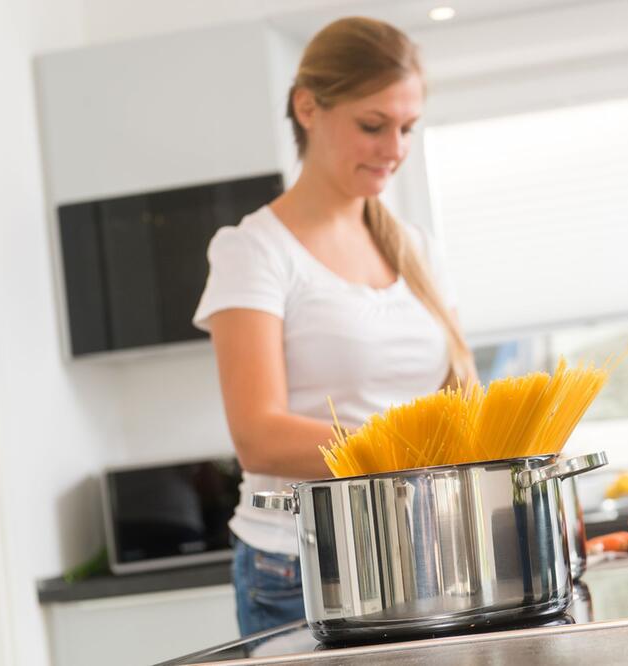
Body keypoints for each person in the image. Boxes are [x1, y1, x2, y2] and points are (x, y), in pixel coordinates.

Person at [192, 16, 477, 636]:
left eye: (406, 128)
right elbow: (259, 437)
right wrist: (401, 449)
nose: (395, 148)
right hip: (301, 567)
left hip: (426, 556)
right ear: (308, 108)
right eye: (373, 126)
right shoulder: (255, 251)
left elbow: (462, 405)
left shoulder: (418, 250)